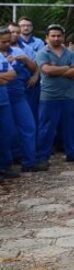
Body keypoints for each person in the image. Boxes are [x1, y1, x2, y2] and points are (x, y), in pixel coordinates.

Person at [35, 24, 74, 166]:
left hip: (69, 95)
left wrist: (56, 70)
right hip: (49, 97)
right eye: (53, 36)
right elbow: (46, 70)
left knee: (70, 127)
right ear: (47, 37)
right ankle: (42, 157)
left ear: (63, 37)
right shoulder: (42, 52)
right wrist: (67, 68)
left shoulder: (70, 54)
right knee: (46, 128)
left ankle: (72, 154)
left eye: (59, 35)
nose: (56, 38)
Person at [0, 28, 38, 173]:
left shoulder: (17, 52)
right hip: (3, 96)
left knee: (28, 127)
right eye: (3, 42)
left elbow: (32, 69)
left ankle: (29, 162)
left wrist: (26, 60)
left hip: (18, 95)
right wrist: (5, 78)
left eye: (9, 41)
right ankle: (7, 163)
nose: (7, 44)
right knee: (7, 131)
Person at [18, 17, 44, 122]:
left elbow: (40, 62)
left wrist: (35, 76)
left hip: (33, 81)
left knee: (33, 111)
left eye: (28, 25)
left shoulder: (39, 42)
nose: (26, 27)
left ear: (32, 27)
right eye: (23, 25)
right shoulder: (13, 42)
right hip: (18, 79)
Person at [0, 46, 19, 180]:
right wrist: (3, 78)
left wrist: (3, 78)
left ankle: (5, 166)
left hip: (3, 100)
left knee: (7, 133)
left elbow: (12, 75)